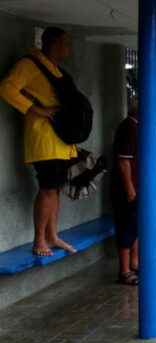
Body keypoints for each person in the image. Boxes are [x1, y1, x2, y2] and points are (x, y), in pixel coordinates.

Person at [0, 27, 77, 256]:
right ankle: (39, 240)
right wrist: (35, 110)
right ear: (53, 44)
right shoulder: (29, 64)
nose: (68, 48)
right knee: (47, 189)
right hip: (43, 138)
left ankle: (53, 236)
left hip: (61, 140)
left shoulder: (56, 69)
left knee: (56, 189)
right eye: (65, 43)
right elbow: (6, 88)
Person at [111, 100, 139, 285]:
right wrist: (129, 189)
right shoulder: (129, 127)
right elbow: (124, 161)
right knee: (127, 226)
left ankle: (134, 263)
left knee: (134, 225)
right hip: (127, 189)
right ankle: (124, 270)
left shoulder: (135, 127)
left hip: (136, 187)